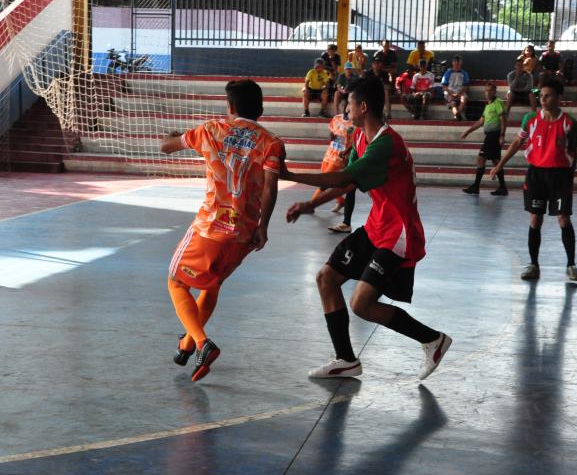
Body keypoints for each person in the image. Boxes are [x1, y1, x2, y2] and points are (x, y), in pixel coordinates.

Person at [281, 76, 452, 380]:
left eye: (348, 103)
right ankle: (346, 359)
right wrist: (311, 204)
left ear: (363, 106)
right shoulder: (362, 138)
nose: (344, 108)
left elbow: (341, 177)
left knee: (361, 303)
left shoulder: (386, 144)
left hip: (399, 232)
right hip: (376, 226)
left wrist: (289, 174)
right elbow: (349, 181)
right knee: (326, 278)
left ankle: (432, 340)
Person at [161, 79, 285, 382]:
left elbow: (167, 147)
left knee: (176, 282)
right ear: (261, 109)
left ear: (229, 106)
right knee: (212, 284)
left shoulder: (211, 130)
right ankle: (187, 343)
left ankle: (202, 343)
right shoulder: (272, 142)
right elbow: (271, 188)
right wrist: (263, 228)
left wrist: (174, 136)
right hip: (244, 233)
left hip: (210, 227)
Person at [489, 79, 577, 282]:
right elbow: (517, 142)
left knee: (563, 218)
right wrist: (500, 165)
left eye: (547, 95)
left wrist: (570, 179)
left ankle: (571, 265)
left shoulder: (570, 123)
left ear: (558, 98)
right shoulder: (530, 119)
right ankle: (533, 265)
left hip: (560, 176)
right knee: (534, 219)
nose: (543, 99)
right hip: (536, 175)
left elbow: (573, 152)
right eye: (541, 96)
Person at [460, 83, 508, 196]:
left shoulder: (498, 103)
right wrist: (468, 131)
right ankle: (502, 187)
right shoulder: (487, 106)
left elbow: (503, 120)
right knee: (495, 161)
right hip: (490, 135)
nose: (488, 92)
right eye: (486, 90)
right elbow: (480, 122)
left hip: (494, 135)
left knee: (481, 158)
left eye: (491, 90)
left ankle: (476, 187)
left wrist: (502, 135)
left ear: (495, 92)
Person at [313, 107, 354, 213]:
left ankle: (311, 204)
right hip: (330, 152)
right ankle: (341, 201)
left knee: (324, 180)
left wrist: (347, 153)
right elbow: (331, 133)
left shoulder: (354, 123)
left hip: (340, 156)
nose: (348, 107)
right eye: (347, 105)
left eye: (350, 105)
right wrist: (330, 137)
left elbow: (354, 142)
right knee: (326, 178)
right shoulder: (336, 118)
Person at [441, 55, 470, 120]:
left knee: (464, 98)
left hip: (460, 92)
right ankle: (458, 115)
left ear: (461, 62)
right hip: (449, 91)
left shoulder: (464, 73)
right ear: (452, 62)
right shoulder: (448, 73)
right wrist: (451, 93)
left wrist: (459, 93)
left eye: (458, 61)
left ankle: (457, 115)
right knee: (453, 102)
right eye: (455, 61)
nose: (457, 63)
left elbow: (465, 86)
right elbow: (444, 86)